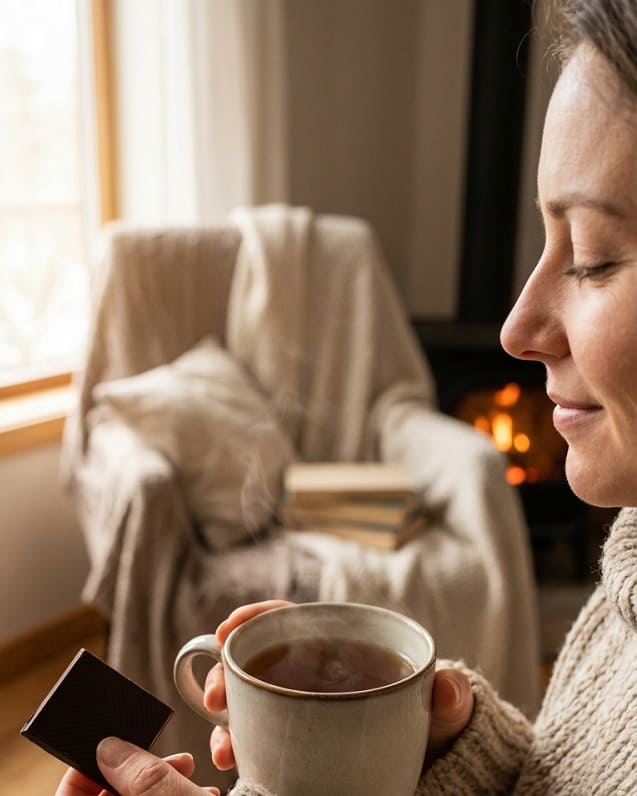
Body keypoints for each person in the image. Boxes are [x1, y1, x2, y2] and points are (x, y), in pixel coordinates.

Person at [55, 0, 637, 792]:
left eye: (594, 257)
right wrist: (451, 745)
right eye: (546, 240)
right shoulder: (624, 582)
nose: (516, 327)